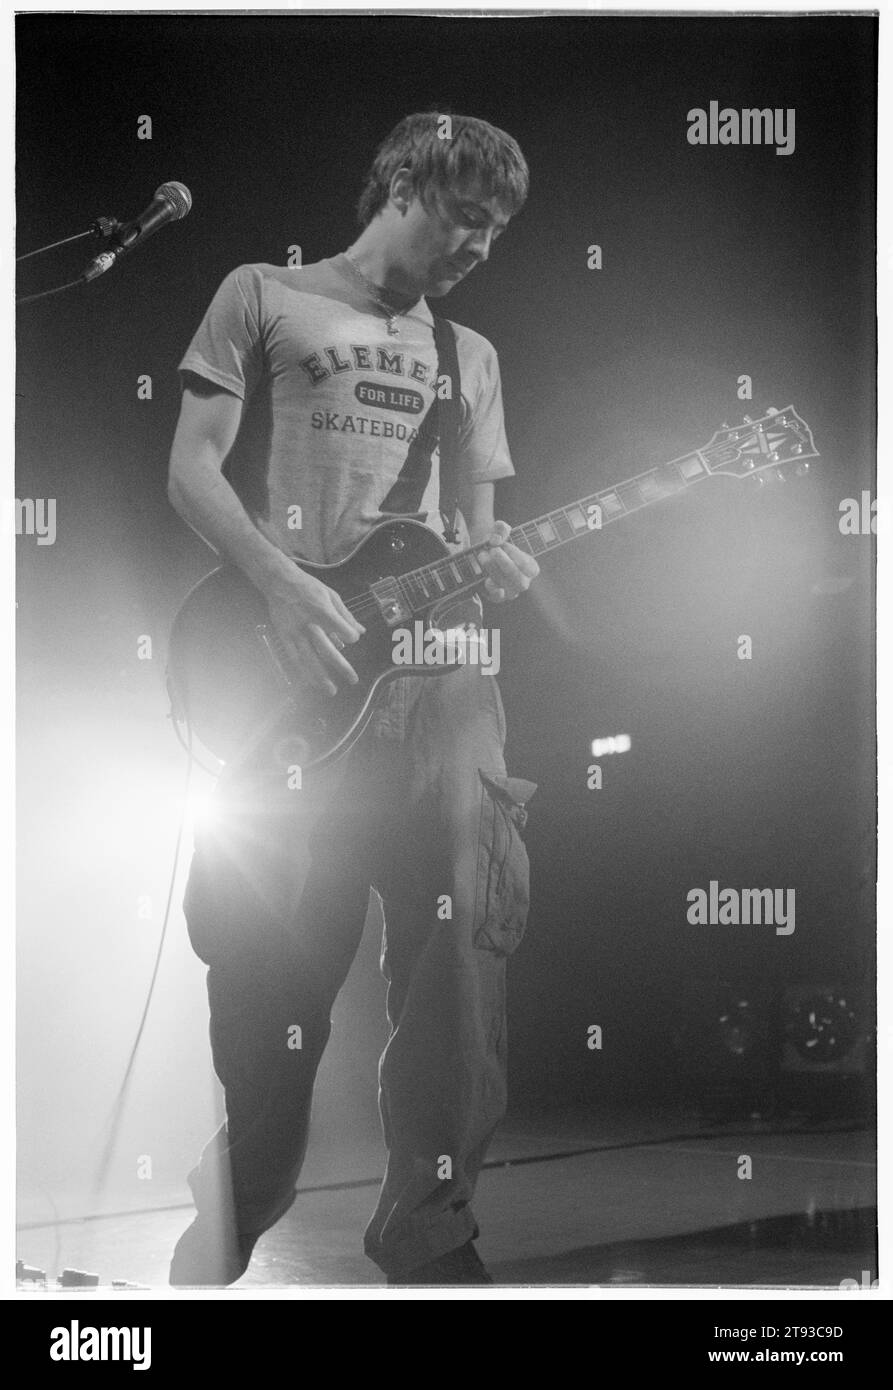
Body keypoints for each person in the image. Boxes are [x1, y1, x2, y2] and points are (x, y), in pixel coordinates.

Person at [166, 111, 540, 1287]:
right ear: (399, 183)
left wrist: (502, 572)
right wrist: (276, 588)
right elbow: (191, 466)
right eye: (463, 211)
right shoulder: (263, 295)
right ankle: (248, 1183)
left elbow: (475, 542)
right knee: (266, 986)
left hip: (434, 688)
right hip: (290, 686)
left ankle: (430, 1225)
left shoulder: (469, 358)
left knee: (466, 941)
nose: (479, 242)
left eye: (497, 227)